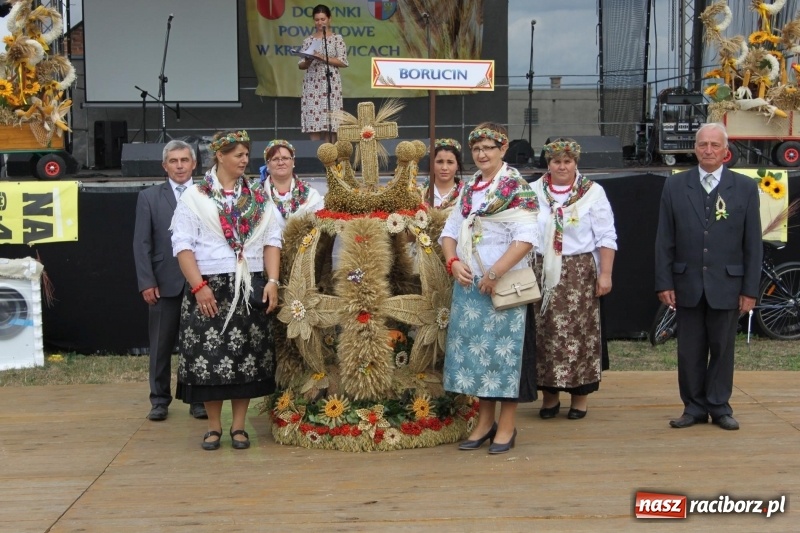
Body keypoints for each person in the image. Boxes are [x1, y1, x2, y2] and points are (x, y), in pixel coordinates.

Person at [170, 130, 282, 450]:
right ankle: (214, 427)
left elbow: (273, 241)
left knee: (245, 356)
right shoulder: (196, 196)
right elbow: (182, 245)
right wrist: (199, 286)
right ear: (219, 155)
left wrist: (272, 282)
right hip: (210, 286)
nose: (245, 160)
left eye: (247, 154)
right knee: (211, 358)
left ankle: (238, 427)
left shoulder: (260, 196)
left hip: (249, 284)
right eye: (238, 155)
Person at [440, 122, 539, 454]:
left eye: (488, 148)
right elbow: (451, 229)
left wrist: (494, 273)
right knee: (478, 359)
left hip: (503, 285)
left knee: (504, 360)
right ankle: (484, 423)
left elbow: (526, 238)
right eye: (477, 149)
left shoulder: (516, 187)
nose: (482, 154)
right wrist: (453, 262)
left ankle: (507, 427)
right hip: (470, 286)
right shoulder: (469, 188)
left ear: (503, 149)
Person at [655, 122, 762, 431]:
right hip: (686, 281)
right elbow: (665, 238)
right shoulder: (675, 185)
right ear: (695, 148)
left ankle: (719, 405)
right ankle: (694, 407)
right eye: (703, 144)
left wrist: (750, 289)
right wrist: (664, 281)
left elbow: (752, 243)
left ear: (726, 151)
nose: (709, 150)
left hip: (728, 283)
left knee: (723, 346)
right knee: (689, 349)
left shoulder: (744, 187)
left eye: (715, 145)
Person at [531, 138, 617, 420]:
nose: (562, 166)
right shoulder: (533, 191)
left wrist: (605, 274)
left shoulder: (593, 193)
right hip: (542, 270)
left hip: (579, 272)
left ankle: (580, 398)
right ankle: (549, 397)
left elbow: (606, 237)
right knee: (544, 333)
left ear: (575, 163)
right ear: (548, 163)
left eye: (567, 161)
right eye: (556, 161)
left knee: (579, 334)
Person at [133, 140, 207, 421]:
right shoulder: (149, 197)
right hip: (164, 282)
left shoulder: (205, 194)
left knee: (198, 344)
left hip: (201, 282)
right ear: (164, 166)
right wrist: (146, 281)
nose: (179, 165)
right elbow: (142, 243)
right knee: (161, 345)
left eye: (184, 160)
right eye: (173, 161)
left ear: (194, 164)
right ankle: (159, 400)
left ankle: (197, 399)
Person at [298, 4, 348, 141]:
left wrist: (323, 57)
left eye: (323, 19)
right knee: (314, 123)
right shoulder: (308, 40)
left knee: (331, 123)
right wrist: (308, 60)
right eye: (317, 19)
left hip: (330, 84)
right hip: (312, 84)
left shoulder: (337, 39)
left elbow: (343, 62)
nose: (320, 22)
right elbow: (301, 65)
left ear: (329, 19)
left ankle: (330, 158)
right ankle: (314, 158)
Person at [259, 139, 324, 231]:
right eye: (275, 159)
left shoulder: (310, 194)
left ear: (293, 162)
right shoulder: (257, 194)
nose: (281, 163)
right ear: (268, 164)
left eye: (285, 158)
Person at [421, 138, 465, 210]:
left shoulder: (466, 193)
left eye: (450, 162)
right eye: (440, 162)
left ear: (457, 166)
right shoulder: (420, 193)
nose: (444, 167)